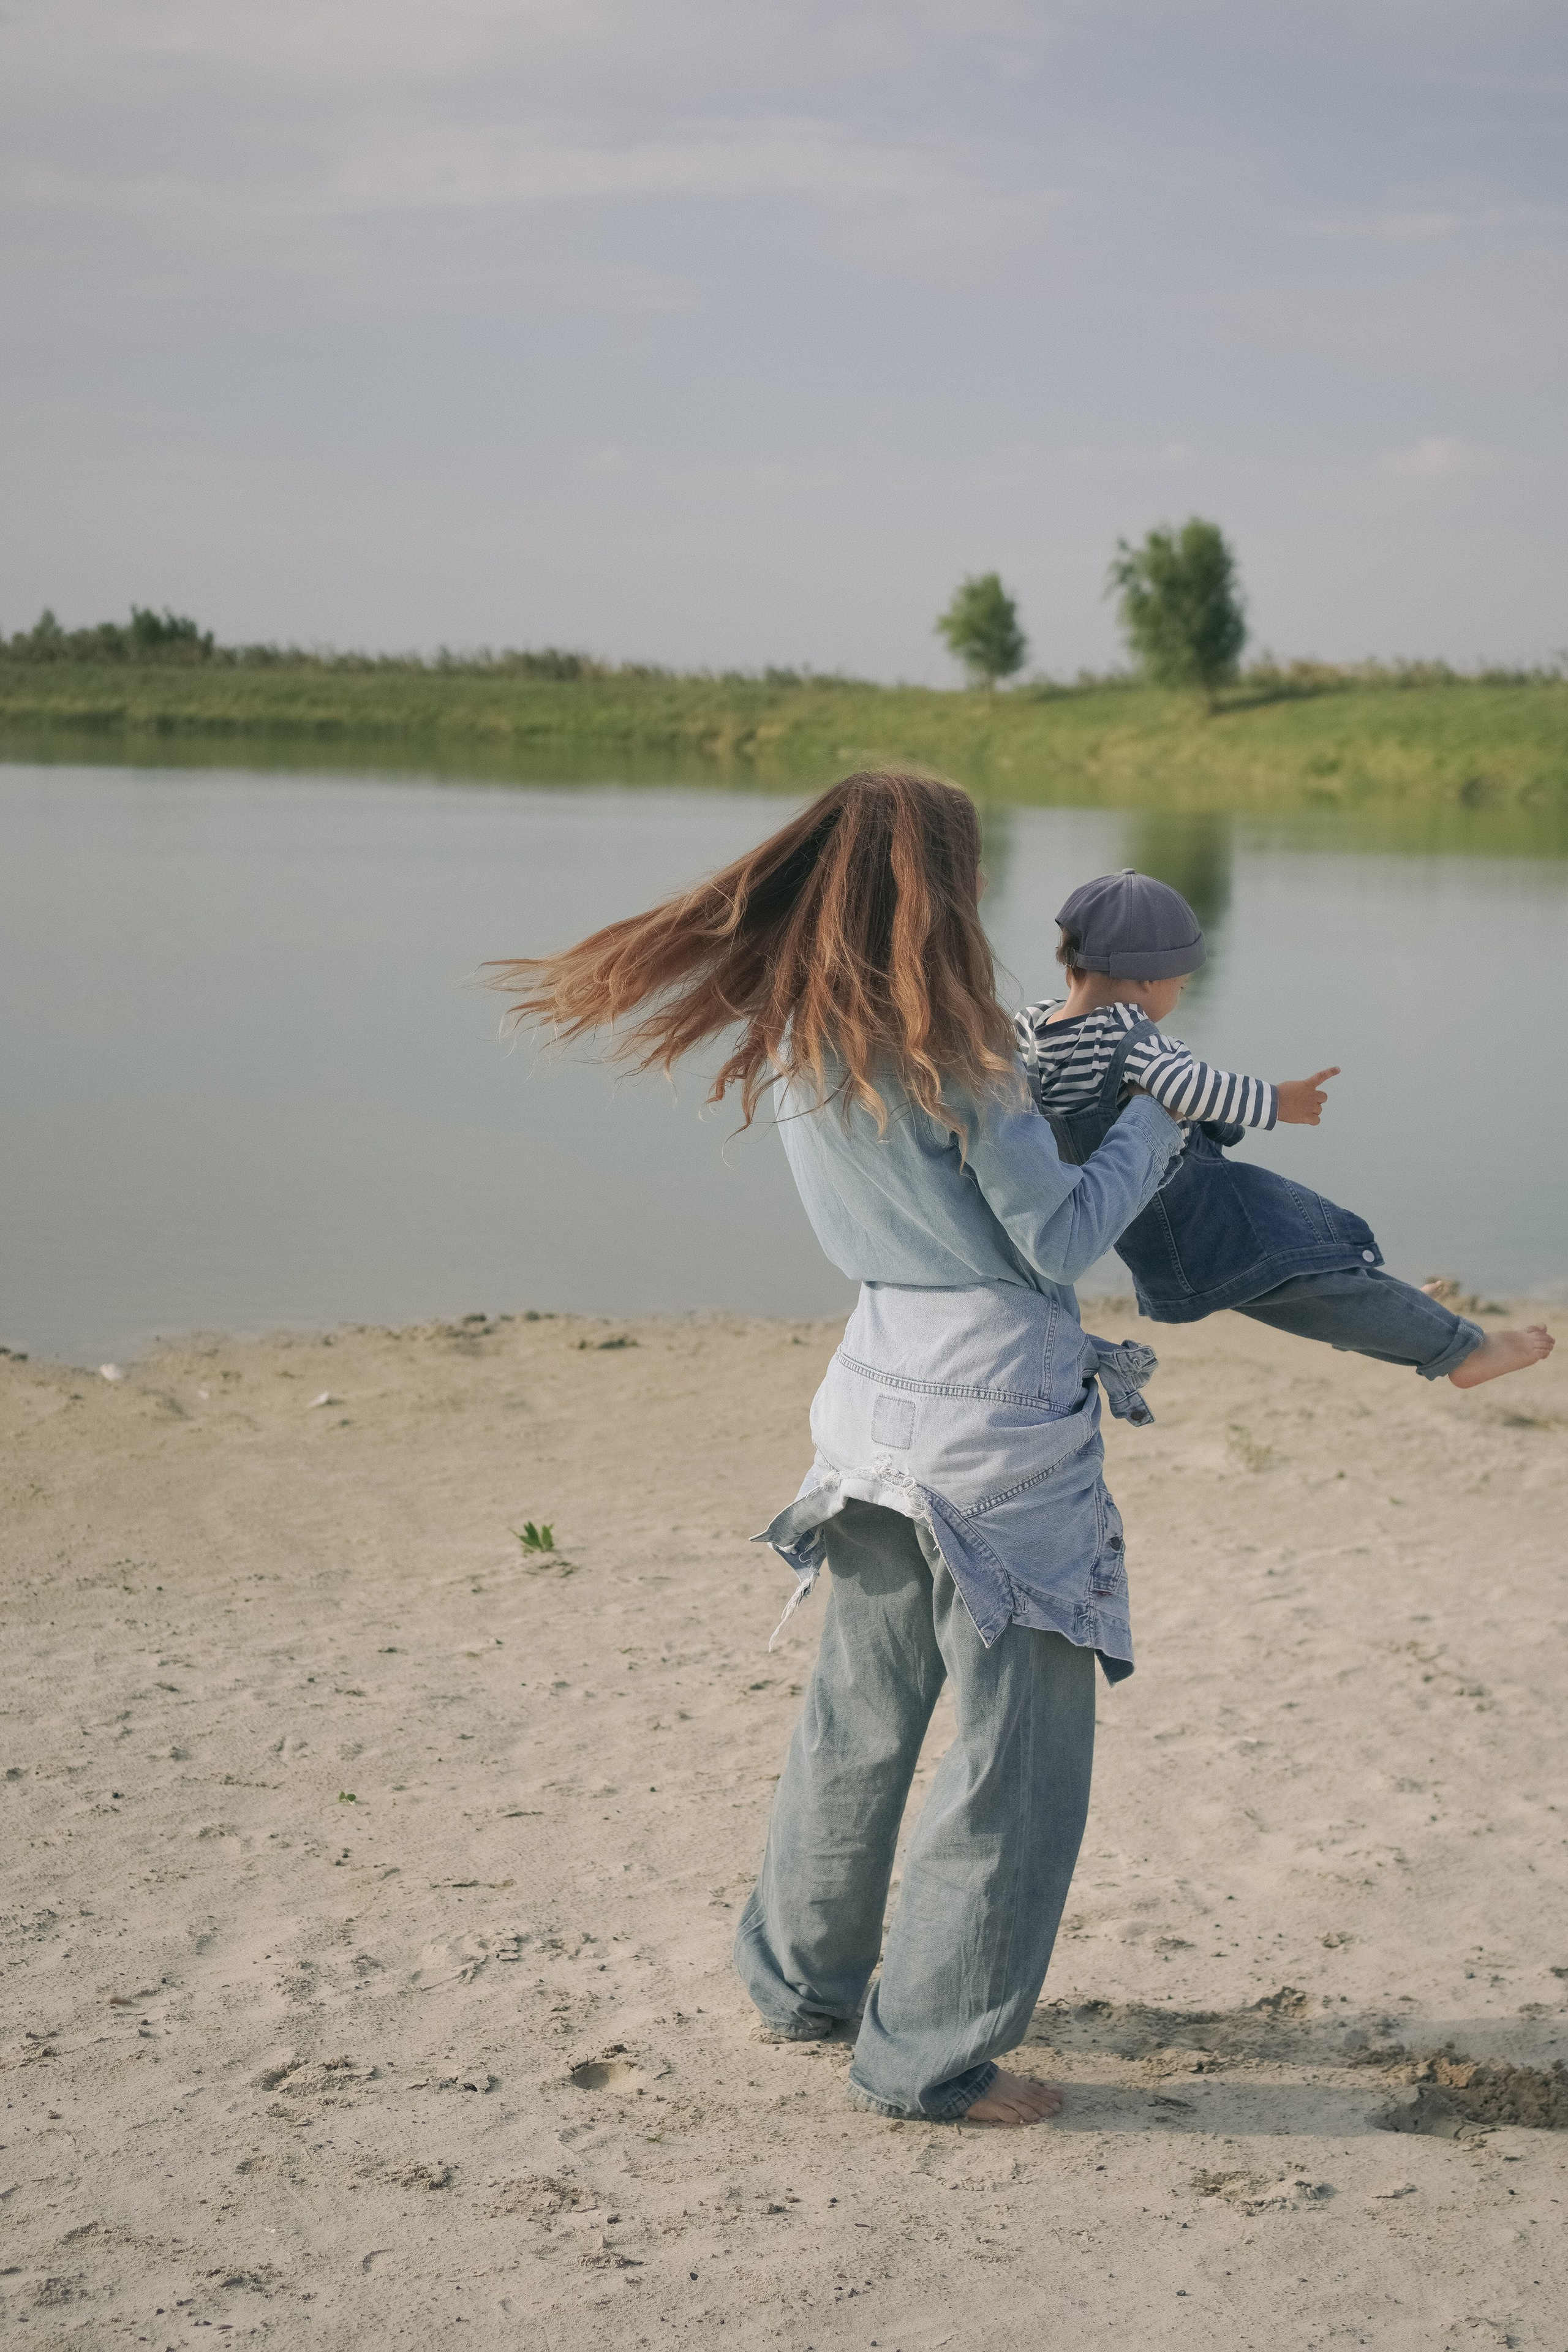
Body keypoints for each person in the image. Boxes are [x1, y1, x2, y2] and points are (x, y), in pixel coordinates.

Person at [491, 770, 1191, 2126]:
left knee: (858, 1716)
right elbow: (1053, 1240)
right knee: (1012, 1754)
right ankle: (927, 2055)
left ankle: (805, 1985)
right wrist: (1161, 1113)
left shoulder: (804, 1035)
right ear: (940, 886)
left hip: (867, 1406)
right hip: (997, 1431)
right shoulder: (962, 1051)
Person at [1017, 868, 1553, 1388]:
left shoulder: (1035, 1030)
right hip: (1195, 1208)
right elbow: (1189, 1086)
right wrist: (1278, 1102)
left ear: (1070, 966)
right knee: (1307, 1271)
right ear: (1149, 981)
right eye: (1180, 985)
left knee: (1304, 1280)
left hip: (1145, 1220)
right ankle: (1463, 1349)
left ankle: (1403, 1318)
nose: (1177, 998)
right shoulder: (1128, 1035)